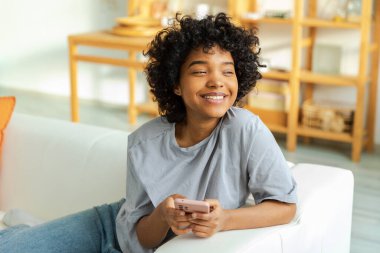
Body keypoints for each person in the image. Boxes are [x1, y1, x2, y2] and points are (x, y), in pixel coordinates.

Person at [0, 13, 297, 253]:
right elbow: (138, 235)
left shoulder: (246, 129)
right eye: (200, 71)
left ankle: (28, 226)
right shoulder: (145, 141)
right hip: (109, 228)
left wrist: (225, 219)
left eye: (227, 71)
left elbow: (285, 206)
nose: (217, 81)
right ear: (176, 84)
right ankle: (25, 229)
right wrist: (163, 216)